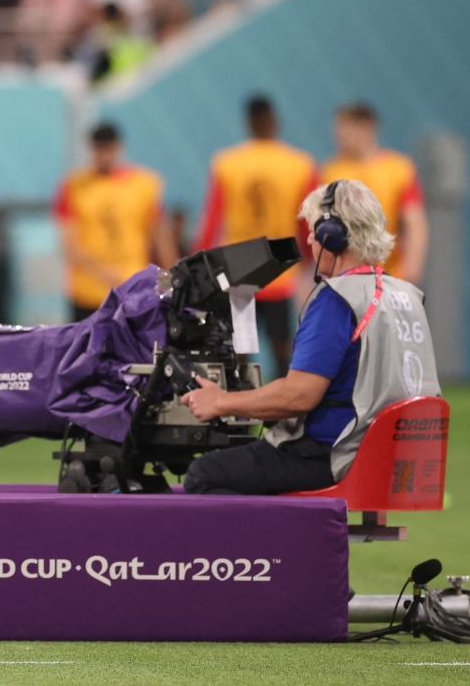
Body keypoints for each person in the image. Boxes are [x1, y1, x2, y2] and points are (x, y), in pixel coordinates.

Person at [180, 179, 440, 495]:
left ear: (333, 235)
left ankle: (275, 546)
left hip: (334, 456)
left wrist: (220, 401)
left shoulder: (336, 298)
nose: (309, 239)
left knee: (204, 474)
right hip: (393, 460)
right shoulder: (409, 296)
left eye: (315, 230)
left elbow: (298, 396)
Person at [193, 95, 318, 377]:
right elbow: (307, 224)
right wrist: (309, 266)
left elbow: (210, 223)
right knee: (282, 350)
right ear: (275, 122)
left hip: (240, 271)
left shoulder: (227, 163)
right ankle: (285, 416)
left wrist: (200, 269)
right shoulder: (299, 164)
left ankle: (237, 412)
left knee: (239, 352)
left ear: (247, 123)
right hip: (280, 271)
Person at [53, 123, 179, 323]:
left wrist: (172, 280)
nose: (103, 156)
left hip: (134, 289)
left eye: (108, 149)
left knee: (134, 353)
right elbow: (70, 244)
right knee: (88, 352)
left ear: (118, 147)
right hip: (88, 291)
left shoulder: (144, 184)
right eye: (98, 149)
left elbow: (160, 237)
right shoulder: (73, 186)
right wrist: (106, 274)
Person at [321, 102, 429, 284]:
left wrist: (413, 266)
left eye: (345, 127)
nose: (338, 134)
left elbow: (415, 222)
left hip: (390, 274)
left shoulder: (398, 169)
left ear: (366, 128)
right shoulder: (330, 171)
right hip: (344, 277)